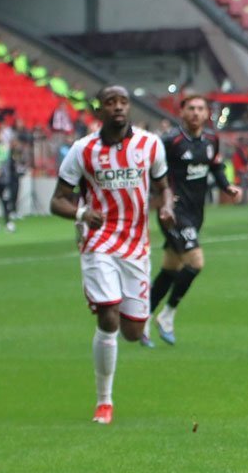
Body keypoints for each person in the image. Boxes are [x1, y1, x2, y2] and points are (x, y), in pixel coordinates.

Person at [49, 85, 174, 423]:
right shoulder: (83, 150)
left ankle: (134, 321)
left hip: (136, 245)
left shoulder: (150, 144)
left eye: (123, 102)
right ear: (99, 110)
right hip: (98, 240)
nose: (118, 107)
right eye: (110, 102)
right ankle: (104, 401)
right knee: (108, 317)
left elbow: (164, 187)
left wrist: (167, 207)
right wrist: (81, 213)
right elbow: (57, 200)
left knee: (131, 332)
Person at [146, 93, 242, 347]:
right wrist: (160, 199)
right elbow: (153, 172)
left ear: (207, 113)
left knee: (171, 266)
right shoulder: (171, 141)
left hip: (196, 212)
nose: (196, 113)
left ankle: (143, 317)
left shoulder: (211, 140)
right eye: (191, 108)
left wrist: (227, 187)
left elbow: (216, 167)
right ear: (182, 112)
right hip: (173, 212)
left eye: (201, 109)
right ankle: (167, 315)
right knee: (195, 262)